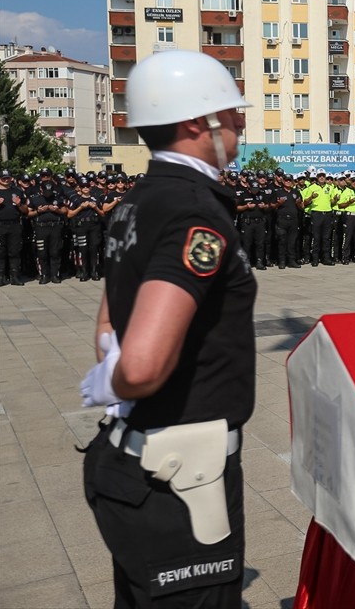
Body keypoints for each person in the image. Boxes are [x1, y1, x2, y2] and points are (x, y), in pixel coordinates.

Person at [80, 50, 256, 607]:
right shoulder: (194, 211)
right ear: (195, 125)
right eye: (231, 115)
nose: (240, 125)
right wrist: (125, 381)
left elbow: (109, 322)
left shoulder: (137, 201)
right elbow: (142, 364)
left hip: (134, 460)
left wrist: (117, 383)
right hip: (180, 478)